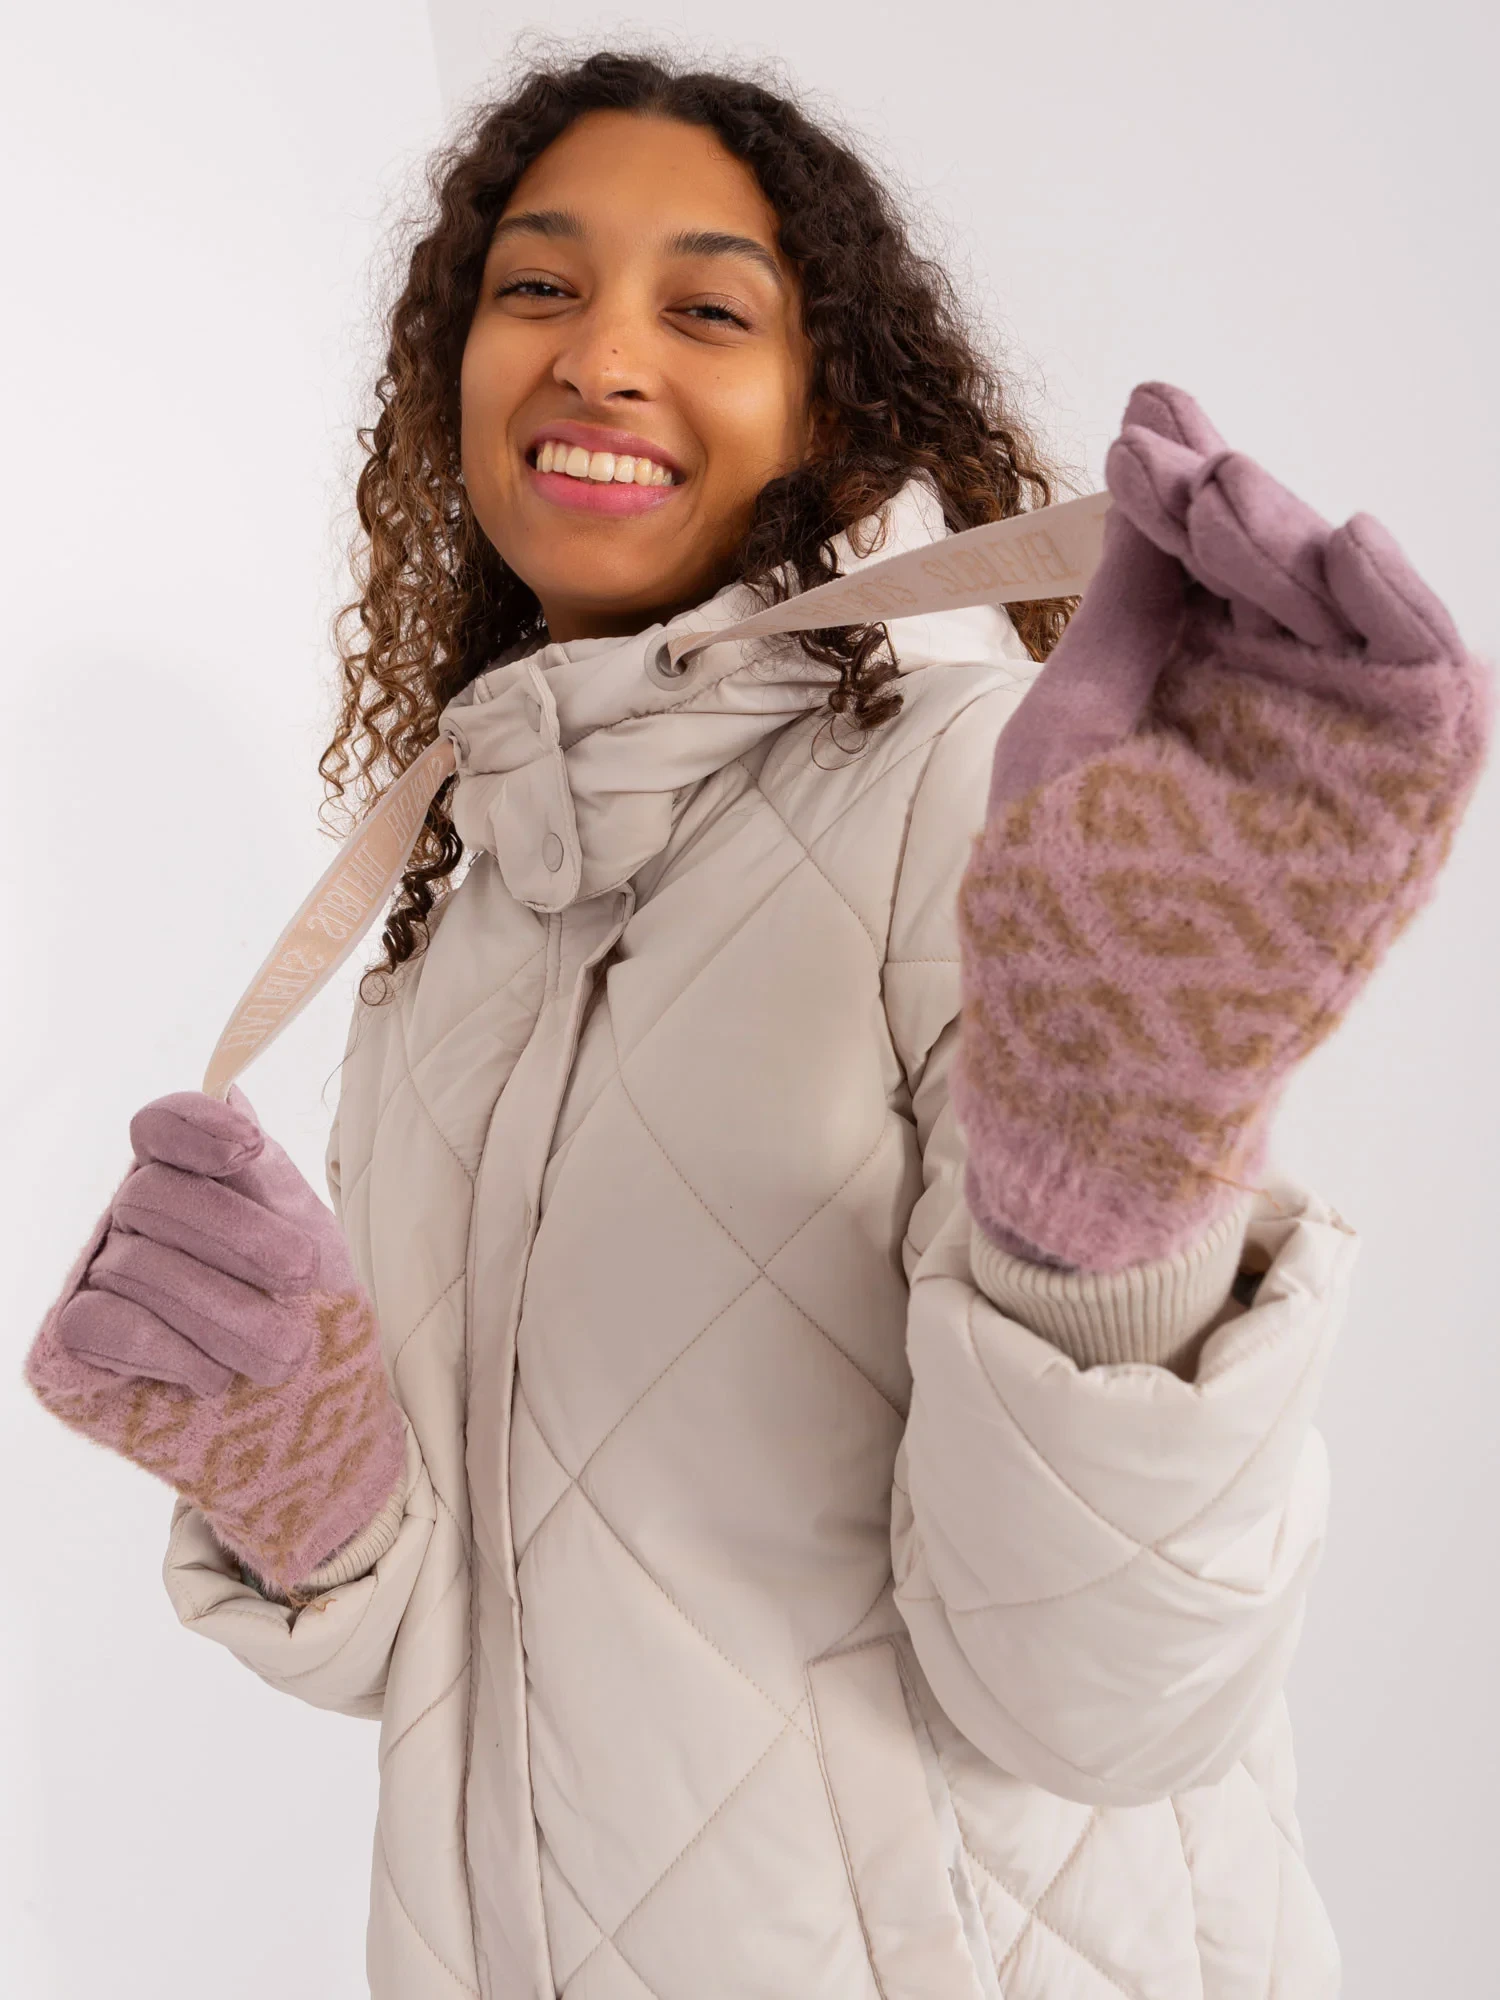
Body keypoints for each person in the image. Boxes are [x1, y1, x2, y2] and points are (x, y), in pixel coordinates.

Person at [24, 48, 1491, 2000]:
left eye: (706, 310)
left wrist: (1116, 1214)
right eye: (536, 288)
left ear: (830, 402)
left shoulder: (985, 803)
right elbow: (480, 1665)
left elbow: (1104, 1703)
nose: (599, 355)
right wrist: (315, 1475)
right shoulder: (454, 927)